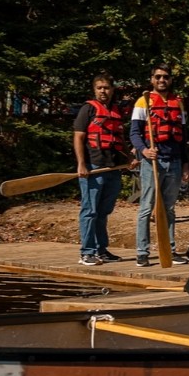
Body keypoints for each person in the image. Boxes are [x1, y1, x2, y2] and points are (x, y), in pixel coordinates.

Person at [130, 63, 189, 266]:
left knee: (169, 208)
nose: (162, 80)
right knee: (147, 207)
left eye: (165, 77)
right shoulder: (143, 102)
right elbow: (134, 133)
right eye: (158, 77)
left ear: (170, 79)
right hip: (152, 161)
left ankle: (170, 249)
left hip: (174, 161)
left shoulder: (178, 103)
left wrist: (185, 164)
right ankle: (142, 252)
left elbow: (183, 139)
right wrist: (144, 150)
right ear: (152, 79)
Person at [72, 72, 129, 265]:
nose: (103, 91)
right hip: (93, 167)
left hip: (112, 168)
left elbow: (120, 140)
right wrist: (81, 164)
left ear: (112, 90)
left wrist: (129, 160)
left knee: (104, 211)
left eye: (106, 88)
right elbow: (78, 137)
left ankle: (101, 250)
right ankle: (87, 252)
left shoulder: (116, 110)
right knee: (90, 211)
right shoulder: (88, 109)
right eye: (99, 88)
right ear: (94, 90)